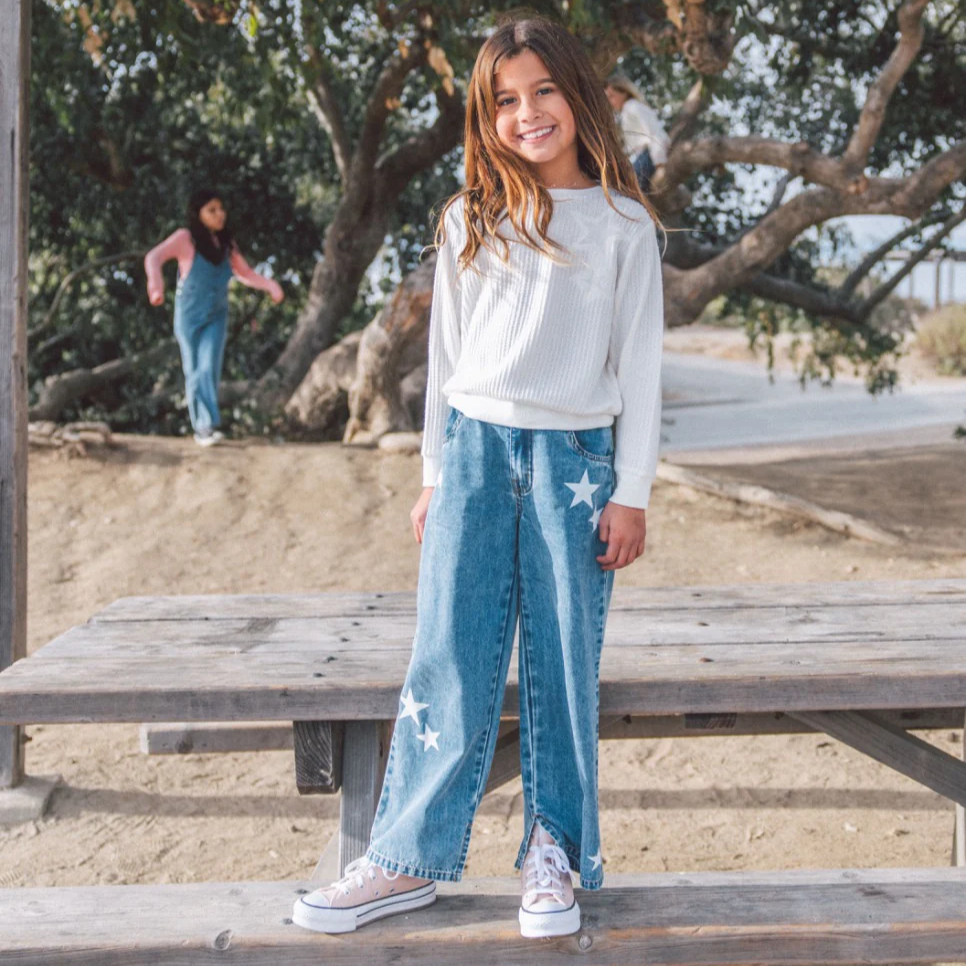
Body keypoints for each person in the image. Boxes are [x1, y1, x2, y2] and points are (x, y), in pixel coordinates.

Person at [293, 14, 664, 939]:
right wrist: (431, 473)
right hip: (472, 453)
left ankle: (555, 851)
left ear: (577, 95)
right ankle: (403, 858)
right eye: (505, 100)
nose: (527, 113)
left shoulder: (624, 226)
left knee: (561, 663)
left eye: (543, 91)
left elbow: (643, 372)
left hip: (576, 465)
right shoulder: (469, 219)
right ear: (484, 116)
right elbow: (449, 361)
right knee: (448, 655)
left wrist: (633, 492)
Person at [144, 188, 284, 446]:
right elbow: (153, 257)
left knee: (209, 367)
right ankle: (202, 429)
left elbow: (245, 273)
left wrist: (270, 285)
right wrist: (156, 286)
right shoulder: (185, 238)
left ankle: (208, 425)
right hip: (189, 318)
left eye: (221, 208)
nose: (220, 214)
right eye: (212, 210)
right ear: (198, 214)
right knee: (194, 370)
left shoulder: (227, 244)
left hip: (216, 315)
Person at [605, 74, 670, 194]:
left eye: (612, 96)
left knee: (626, 193)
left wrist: (660, 164)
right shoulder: (625, 112)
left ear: (624, 92)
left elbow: (654, 132)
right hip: (640, 157)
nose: (610, 101)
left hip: (648, 156)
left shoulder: (633, 106)